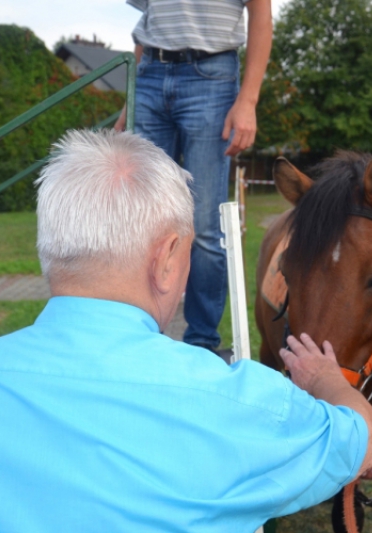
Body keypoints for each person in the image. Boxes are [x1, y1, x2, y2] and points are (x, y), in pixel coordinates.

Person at [0, 130, 372, 532]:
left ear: (51, 250)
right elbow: (362, 441)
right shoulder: (243, 405)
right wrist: (327, 381)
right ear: (168, 258)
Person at [115, 0, 273, 355]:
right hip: (150, 74)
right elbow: (149, 18)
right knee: (140, 222)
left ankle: (202, 343)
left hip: (211, 77)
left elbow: (261, 15)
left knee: (203, 225)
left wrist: (247, 100)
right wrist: (130, 101)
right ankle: (140, 335)